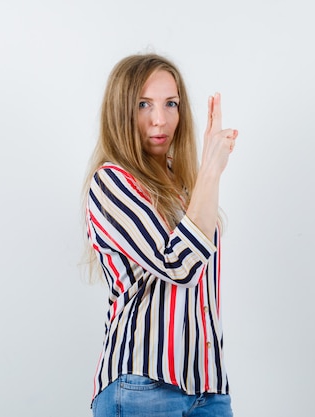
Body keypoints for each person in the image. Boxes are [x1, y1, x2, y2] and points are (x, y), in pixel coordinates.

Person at [83, 53, 238, 417]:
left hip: (209, 388)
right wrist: (211, 172)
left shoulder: (185, 188)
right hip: (143, 384)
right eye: (143, 104)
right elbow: (179, 265)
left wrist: (202, 178)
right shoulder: (112, 181)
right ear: (121, 111)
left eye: (171, 104)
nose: (160, 119)